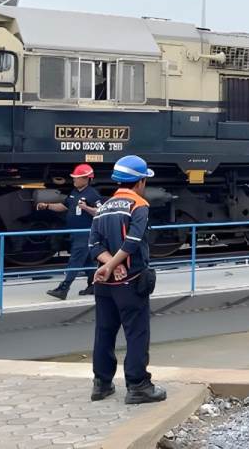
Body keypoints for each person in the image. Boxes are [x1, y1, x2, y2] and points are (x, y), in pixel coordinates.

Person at [88, 155, 166, 404]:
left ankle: (101, 384)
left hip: (104, 284)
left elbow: (93, 244)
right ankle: (138, 386)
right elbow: (132, 241)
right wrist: (115, 264)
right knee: (136, 333)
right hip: (130, 281)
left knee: (104, 332)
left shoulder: (103, 207)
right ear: (140, 181)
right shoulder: (138, 205)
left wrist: (107, 265)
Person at [38, 164, 102, 300]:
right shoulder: (74, 193)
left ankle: (64, 288)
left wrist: (86, 208)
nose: (73, 180)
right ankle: (94, 285)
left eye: (77, 178)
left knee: (75, 261)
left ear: (86, 179)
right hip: (75, 233)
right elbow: (64, 206)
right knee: (87, 262)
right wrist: (47, 206)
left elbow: (100, 212)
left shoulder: (92, 194)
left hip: (85, 233)